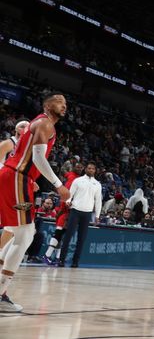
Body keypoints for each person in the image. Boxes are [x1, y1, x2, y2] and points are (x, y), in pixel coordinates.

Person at [0, 94, 70, 312]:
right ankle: (1, 293)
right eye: (59, 102)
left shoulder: (42, 123)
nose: (64, 105)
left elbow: (31, 158)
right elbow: (39, 159)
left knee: (17, 232)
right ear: (47, 105)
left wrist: (32, 181)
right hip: (16, 177)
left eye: (66, 104)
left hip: (21, 180)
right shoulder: (45, 123)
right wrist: (59, 184)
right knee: (25, 234)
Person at [58, 162, 102, 268]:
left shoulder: (97, 184)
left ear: (95, 171)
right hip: (75, 211)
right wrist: (68, 201)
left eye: (93, 169)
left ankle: (75, 262)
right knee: (68, 236)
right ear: (85, 169)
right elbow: (70, 193)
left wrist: (97, 215)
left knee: (81, 239)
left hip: (87, 213)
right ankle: (62, 260)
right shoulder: (77, 180)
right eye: (89, 168)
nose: (91, 170)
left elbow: (98, 201)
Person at [0, 120, 30, 252]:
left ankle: (1, 251)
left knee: (12, 223)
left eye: (27, 126)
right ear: (16, 129)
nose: (25, 128)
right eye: (22, 126)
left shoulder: (26, 147)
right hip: (4, 183)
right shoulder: (8, 143)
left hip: (16, 187)